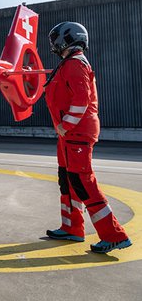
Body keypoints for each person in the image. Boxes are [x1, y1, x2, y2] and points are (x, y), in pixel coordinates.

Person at [44, 21, 132, 253]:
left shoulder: (74, 64)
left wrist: (66, 124)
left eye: (55, 39)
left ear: (67, 38)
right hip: (68, 134)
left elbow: (81, 99)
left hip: (76, 132)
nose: (53, 44)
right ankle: (72, 228)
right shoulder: (69, 64)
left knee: (82, 181)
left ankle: (114, 235)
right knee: (67, 179)